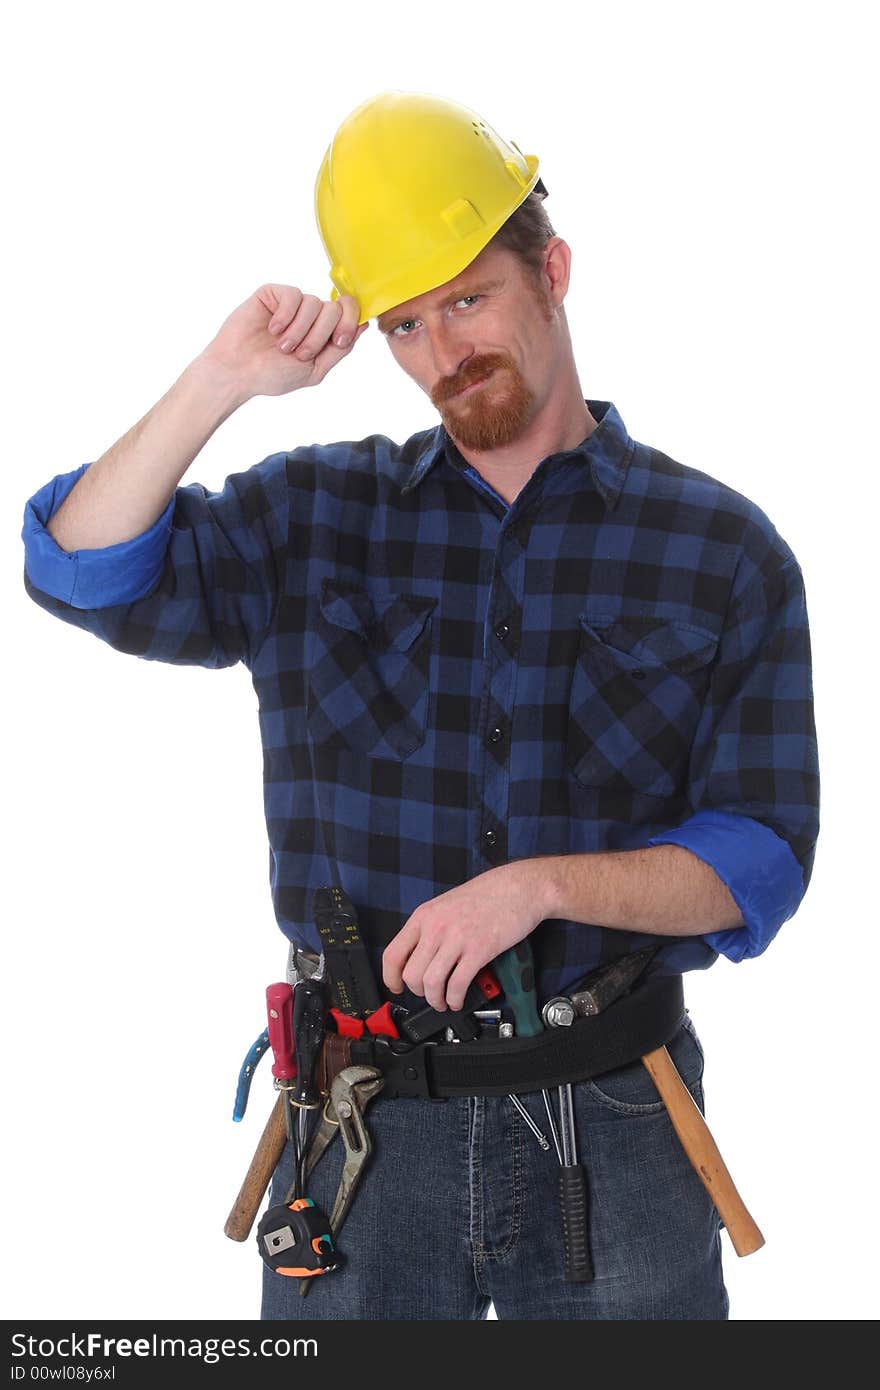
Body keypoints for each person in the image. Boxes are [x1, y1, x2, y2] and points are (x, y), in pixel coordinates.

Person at [21, 91, 819, 1321]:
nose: (444, 352)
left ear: (551, 271)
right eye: (405, 324)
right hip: (360, 1127)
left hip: (616, 1111)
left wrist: (544, 884)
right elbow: (79, 566)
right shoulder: (316, 519)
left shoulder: (719, 550)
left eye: (468, 298)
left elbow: (759, 859)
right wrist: (222, 378)